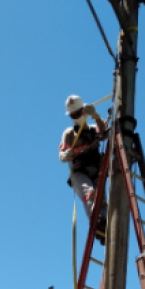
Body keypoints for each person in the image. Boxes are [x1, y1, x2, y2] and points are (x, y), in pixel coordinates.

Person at [59, 95, 108, 243]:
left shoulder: (93, 130)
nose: (75, 117)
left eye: (77, 113)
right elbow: (61, 156)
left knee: (102, 199)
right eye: (72, 115)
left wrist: (96, 116)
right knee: (90, 193)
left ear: (83, 111)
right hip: (79, 172)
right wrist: (66, 155)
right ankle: (96, 222)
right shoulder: (69, 134)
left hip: (96, 169)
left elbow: (104, 133)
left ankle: (104, 227)